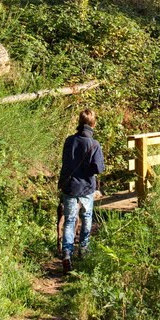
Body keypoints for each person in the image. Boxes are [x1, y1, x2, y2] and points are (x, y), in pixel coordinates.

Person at [58, 109, 105, 272]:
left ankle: (67, 253)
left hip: (70, 186)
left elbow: (65, 161)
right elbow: (99, 168)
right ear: (93, 124)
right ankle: (83, 249)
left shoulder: (69, 141)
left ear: (79, 122)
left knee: (70, 220)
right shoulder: (94, 144)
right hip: (86, 188)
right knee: (86, 218)